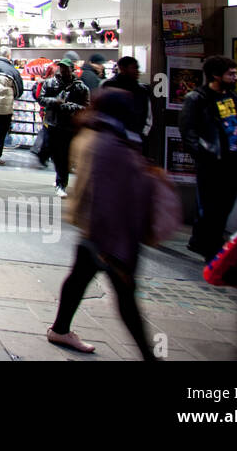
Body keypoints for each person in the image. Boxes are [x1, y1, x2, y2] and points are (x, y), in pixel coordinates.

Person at [47, 89, 156, 360]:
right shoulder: (110, 144)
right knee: (126, 298)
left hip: (95, 230)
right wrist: (110, 247)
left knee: (78, 279)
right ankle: (148, 355)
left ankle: (60, 329)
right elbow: (106, 195)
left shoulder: (95, 134)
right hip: (110, 235)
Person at [179, 55, 237, 261]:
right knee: (210, 205)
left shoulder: (234, 98)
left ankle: (203, 240)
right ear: (215, 75)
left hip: (233, 159)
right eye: (231, 74)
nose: (236, 77)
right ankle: (209, 245)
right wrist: (201, 155)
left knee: (225, 203)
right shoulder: (197, 98)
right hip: (211, 160)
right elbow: (188, 130)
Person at [36, 55, 90, 197]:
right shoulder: (50, 83)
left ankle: (61, 183)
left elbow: (86, 107)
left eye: (66, 68)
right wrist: (55, 102)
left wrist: (71, 107)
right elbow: (41, 99)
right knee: (55, 153)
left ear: (72, 70)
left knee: (64, 155)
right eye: (62, 68)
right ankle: (60, 175)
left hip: (68, 126)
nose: (63, 71)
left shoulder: (80, 87)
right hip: (52, 123)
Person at [102, 56, 152, 139]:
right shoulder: (109, 86)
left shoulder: (141, 90)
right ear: (123, 69)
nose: (137, 71)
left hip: (132, 136)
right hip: (113, 136)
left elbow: (147, 115)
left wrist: (142, 134)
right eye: (134, 68)